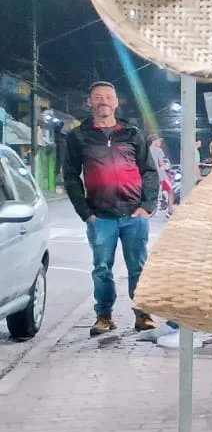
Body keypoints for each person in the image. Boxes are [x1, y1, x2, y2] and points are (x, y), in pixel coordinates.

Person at [62, 81, 159, 336]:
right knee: (102, 268)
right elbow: (70, 176)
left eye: (108, 97)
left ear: (116, 102)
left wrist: (147, 206)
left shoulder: (132, 134)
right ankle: (104, 316)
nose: (103, 101)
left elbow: (149, 171)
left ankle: (143, 314)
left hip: (134, 215)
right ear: (89, 102)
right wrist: (86, 213)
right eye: (97, 97)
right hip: (100, 217)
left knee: (139, 267)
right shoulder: (78, 136)